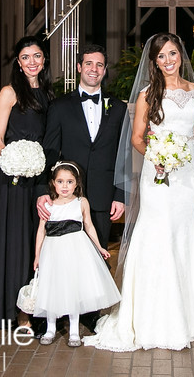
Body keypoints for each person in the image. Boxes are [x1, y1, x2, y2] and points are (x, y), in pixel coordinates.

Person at [84, 33, 194, 351]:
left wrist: (180, 153)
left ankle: (192, 316)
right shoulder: (148, 94)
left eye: (172, 53)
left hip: (187, 175)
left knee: (185, 233)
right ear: (155, 62)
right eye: (161, 56)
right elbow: (136, 137)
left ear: (180, 55)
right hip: (158, 174)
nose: (168, 60)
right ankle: (152, 316)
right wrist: (158, 157)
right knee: (157, 233)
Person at [36, 44, 126, 332]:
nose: (94, 69)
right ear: (78, 67)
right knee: (63, 256)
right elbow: (49, 150)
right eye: (88, 63)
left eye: (99, 65)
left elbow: (123, 154)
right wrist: (43, 189)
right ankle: (61, 310)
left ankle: (91, 312)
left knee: (97, 255)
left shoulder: (119, 107)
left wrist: (121, 195)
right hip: (65, 196)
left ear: (104, 69)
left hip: (101, 194)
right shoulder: (60, 106)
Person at [0, 36, 54, 329]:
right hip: (14, 179)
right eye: (26, 57)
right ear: (18, 61)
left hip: (39, 178)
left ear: (44, 59)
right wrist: (17, 162)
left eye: (36, 56)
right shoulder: (9, 93)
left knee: (36, 242)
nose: (32, 62)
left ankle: (36, 308)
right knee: (16, 242)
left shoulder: (49, 95)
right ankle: (15, 312)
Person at [33, 161, 121, 347]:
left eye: (70, 182)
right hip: (53, 250)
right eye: (60, 181)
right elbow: (41, 231)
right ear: (53, 183)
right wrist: (37, 256)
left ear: (77, 183)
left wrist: (99, 247)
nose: (65, 186)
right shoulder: (48, 204)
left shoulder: (81, 202)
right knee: (52, 286)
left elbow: (89, 225)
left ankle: (74, 330)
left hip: (76, 248)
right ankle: (50, 328)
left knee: (73, 286)